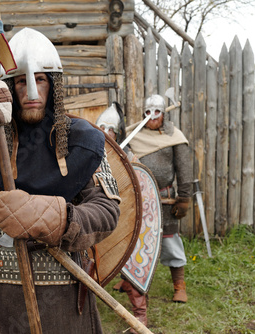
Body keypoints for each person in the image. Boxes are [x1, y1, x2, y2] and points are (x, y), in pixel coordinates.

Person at [0, 27, 121, 333]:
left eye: (40, 79)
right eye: (22, 81)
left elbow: (107, 212)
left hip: (65, 288)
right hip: (1, 290)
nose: (31, 91)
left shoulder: (81, 140)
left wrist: (48, 216)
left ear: (54, 86)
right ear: (10, 87)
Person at [126, 94, 192, 304]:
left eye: (156, 113)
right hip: (139, 198)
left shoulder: (175, 137)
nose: (152, 117)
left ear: (164, 114)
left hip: (164, 199)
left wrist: (184, 198)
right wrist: (128, 152)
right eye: (148, 112)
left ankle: (179, 286)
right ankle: (128, 280)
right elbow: (122, 153)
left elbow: (184, 169)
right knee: (133, 240)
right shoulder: (134, 134)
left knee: (170, 241)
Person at [98, 103, 148, 332]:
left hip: (124, 220)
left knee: (133, 259)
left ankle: (140, 316)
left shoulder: (128, 156)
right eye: (101, 127)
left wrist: (132, 165)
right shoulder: (88, 151)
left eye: (110, 128)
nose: (106, 132)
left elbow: (139, 191)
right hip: (96, 218)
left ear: (117, 134)